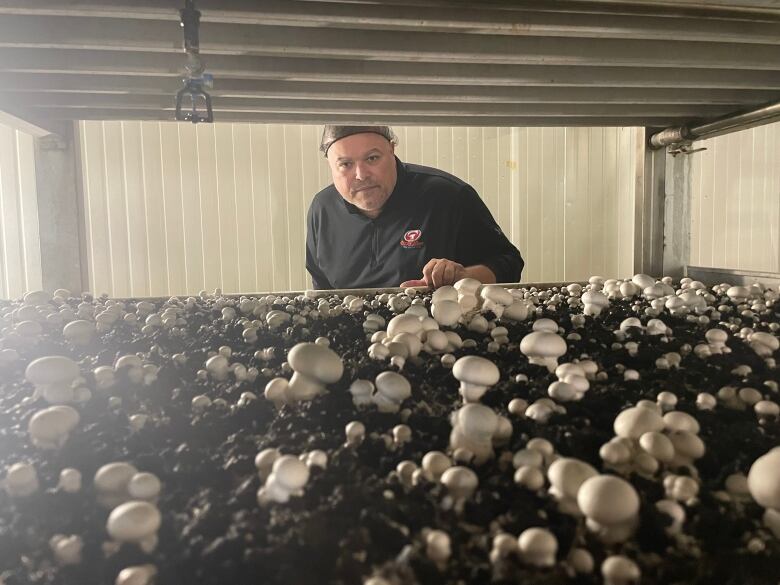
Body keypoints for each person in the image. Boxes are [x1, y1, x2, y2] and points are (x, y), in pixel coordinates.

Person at [306, 125, 524, 290]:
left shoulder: (447, 196)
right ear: (330, 165)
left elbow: (509, 265)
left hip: (438, 339)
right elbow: (322, 289)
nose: (361, 175)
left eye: (372, 158)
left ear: (392, 151)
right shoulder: (322, 209)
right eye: (345, 164)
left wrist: (462, 276)